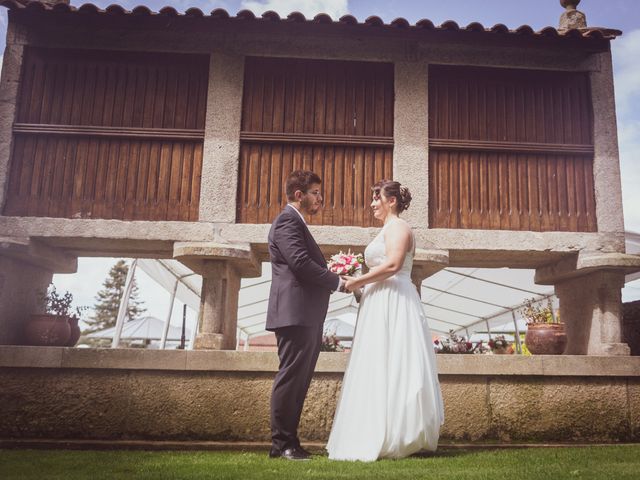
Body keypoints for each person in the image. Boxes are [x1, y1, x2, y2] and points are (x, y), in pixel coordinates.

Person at [326, 179, 444, 462]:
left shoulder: (400, 228)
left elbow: (392, 265)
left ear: (392, 201)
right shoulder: (386, 230)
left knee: (397, 360)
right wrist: (364, 288)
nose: (372, 204)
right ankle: (374, 425)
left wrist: (357, 281)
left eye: (376, 198)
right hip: (379, 300)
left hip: (395, 300)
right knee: (377, 360)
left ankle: (399, 433)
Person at [266, 170, 343, 461]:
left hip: (304, 314)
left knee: (299, 380)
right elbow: (299, 262)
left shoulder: (295, 223)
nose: (320, 199)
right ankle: (282, 444)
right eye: (315, 193)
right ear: (299, 195)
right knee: (291, 379)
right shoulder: (287, 220)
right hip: (294, 314)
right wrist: (335, 281)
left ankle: (289, 442)